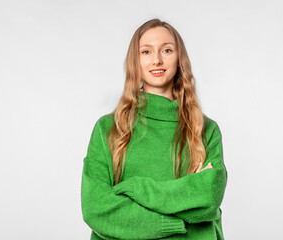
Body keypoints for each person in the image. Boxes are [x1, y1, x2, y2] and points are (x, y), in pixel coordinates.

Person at [81, 18, 228, 240]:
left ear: (179, 59)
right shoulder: (108, 129)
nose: (157, 60)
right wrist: (176, 217)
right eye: (146, 52)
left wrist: (135, 189)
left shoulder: (205, 129)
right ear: (135, 62)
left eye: (167, 50)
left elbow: (208, 196)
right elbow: (97, 208)